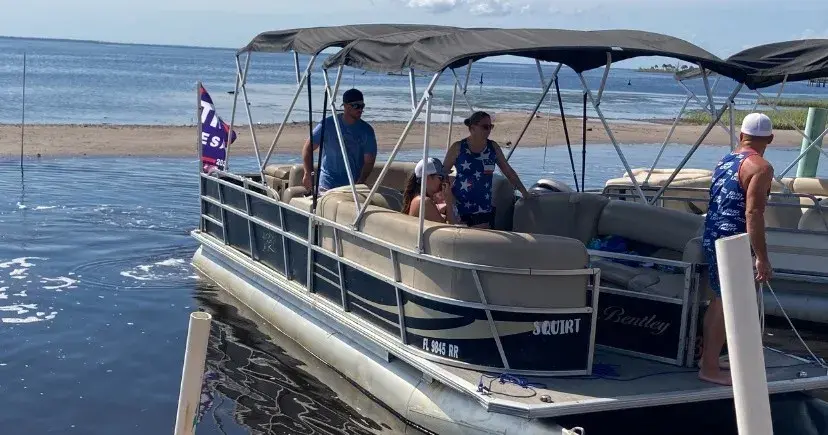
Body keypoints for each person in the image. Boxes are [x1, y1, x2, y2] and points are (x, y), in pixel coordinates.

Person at [698, 112, 775, 385]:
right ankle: (709, 367)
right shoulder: (761, 167)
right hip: (735, 240)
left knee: (720, 299)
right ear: (770, 139)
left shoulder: (726, 160)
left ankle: (710, 357)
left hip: (712, 234)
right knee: (727, 302)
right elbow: (753, 213)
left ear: (742, 136)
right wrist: (762, 258)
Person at [443, 111, 530, 228]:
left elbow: (508, 171)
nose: (488, 130)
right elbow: (443, 173)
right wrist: (448, 197)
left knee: (479, 241)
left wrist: (524, 192)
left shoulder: (493, 148)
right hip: (459, 204)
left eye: (491, 126)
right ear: (472, 128)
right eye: (485, 127)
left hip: (483, 207)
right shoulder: (458, 147)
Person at [302, 88, 377, 193]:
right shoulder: (328, 124)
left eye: (362, 106)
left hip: (351, 187)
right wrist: (308, 173)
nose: (360, 109)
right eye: (356, 106)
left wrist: (361, 181)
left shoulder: (367, 131)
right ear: (345, 106)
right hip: (327, 184)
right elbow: (308, 147)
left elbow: (369, 161)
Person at [402, 157, 458, 224]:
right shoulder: (423, 202)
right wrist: (449, 202)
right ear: (427, 178)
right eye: (441, 177)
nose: (443, 182)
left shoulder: (419, 198)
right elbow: (450, 230)